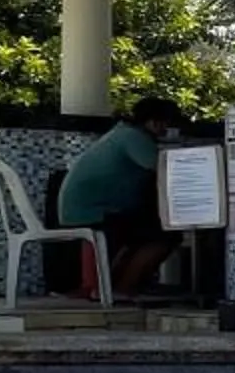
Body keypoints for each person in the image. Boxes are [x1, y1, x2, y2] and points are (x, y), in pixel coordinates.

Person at [55, 98, 182, 300]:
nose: (165, 129)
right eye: (165, 123)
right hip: (96, 211)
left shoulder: (122, 133)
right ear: (155, 122)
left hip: (86, 208)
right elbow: (167, 170)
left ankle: (112, 285)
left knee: (148, 229)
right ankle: (123, 287)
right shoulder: (134, 138)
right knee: (165, 236)